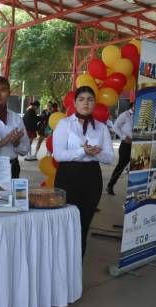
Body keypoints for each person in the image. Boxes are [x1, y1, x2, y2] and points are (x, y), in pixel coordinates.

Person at [53, 86, 115, 257]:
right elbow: (58, 155)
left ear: (95, 103)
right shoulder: (65, 124)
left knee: (83, 224)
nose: (85, 103)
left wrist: (97, 153)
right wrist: (82, 152)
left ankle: (76, 269)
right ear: (74, 103)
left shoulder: (101, 128)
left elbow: (109, 157)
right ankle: (60, 267)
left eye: (90, 99)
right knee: (65, 223)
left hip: (91, 177)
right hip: (68, 176)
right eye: (81, 99)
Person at [0, 76, 30, 178]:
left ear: (9, 93)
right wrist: (0, 143)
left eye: (3, 90)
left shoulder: (16, 118)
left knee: (11, 194)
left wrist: (17, 143)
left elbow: (25, 150)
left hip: (12, 167)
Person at [106, 103, 134, 195]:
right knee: (121, 166)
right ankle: (110, 185)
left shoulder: (140, 116)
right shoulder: (125, 115)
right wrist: (124, 136)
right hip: (126, 145)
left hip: (137, 145)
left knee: (136, 166)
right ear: (132, 105)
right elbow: (115, 127)